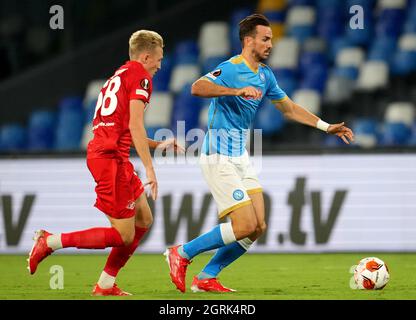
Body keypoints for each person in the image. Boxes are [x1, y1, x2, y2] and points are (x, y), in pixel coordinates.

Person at [164, 14, 354, 293]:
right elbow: (197, 87)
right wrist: (235, 90)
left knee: (258, 226)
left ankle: (206, 277)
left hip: (240, 157)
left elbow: (289, 109)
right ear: (248, 40)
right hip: (218, 156)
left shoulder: (266, 75)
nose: (270, 45)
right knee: (244, 224)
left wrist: (326, 127)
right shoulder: (231, 67)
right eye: (265, 39)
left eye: (271, 40)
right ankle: (181, 253)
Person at [28, 30, 183, 296]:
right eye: (158, 59)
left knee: (144, 220)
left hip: (111, 155)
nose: (160, 65)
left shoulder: (119, 75)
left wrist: (158, 145)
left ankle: (106, 284)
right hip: (109, 160)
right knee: (123, 235)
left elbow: (124, 130)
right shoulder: (142, 78)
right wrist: (150, 167)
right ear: (146, 56)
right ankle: (50, 241)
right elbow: (135, 125)